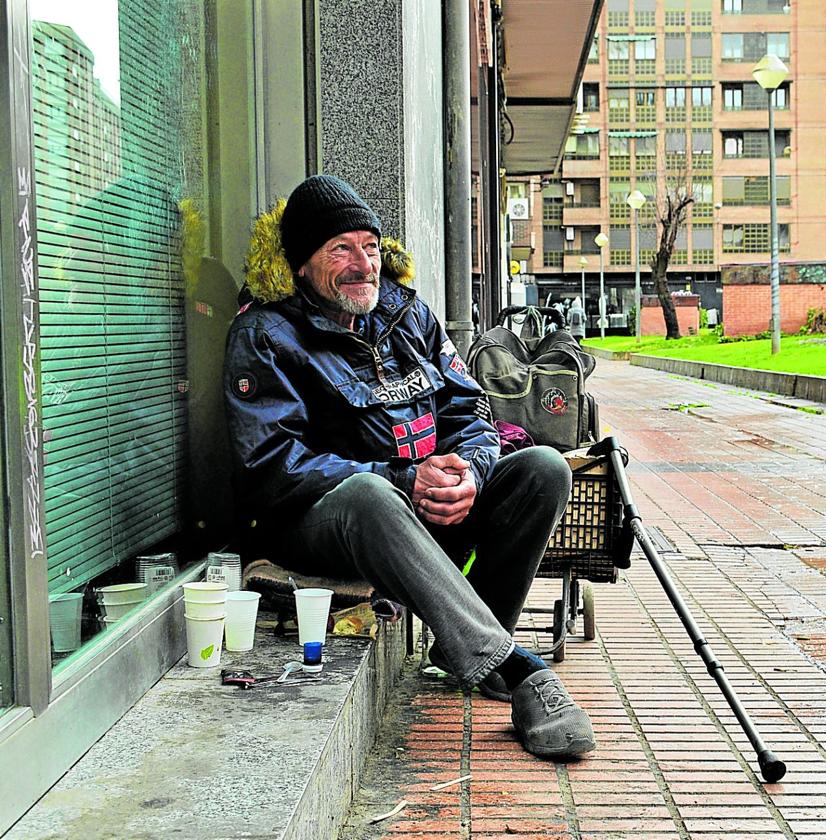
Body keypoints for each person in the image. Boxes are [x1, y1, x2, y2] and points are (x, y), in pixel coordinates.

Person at [223, 174, 595, 759]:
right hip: (323, 524)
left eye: (369, 246)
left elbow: (469, 407)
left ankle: (466, 644)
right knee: (371, 492)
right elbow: (271, 465)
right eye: (339, 249)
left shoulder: (405, 314)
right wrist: (402, 479)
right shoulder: (264, 334)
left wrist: (469, 471)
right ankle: (516, 668)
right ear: (300, 264)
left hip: (418, 508)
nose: (362, 264)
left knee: (544, 468)